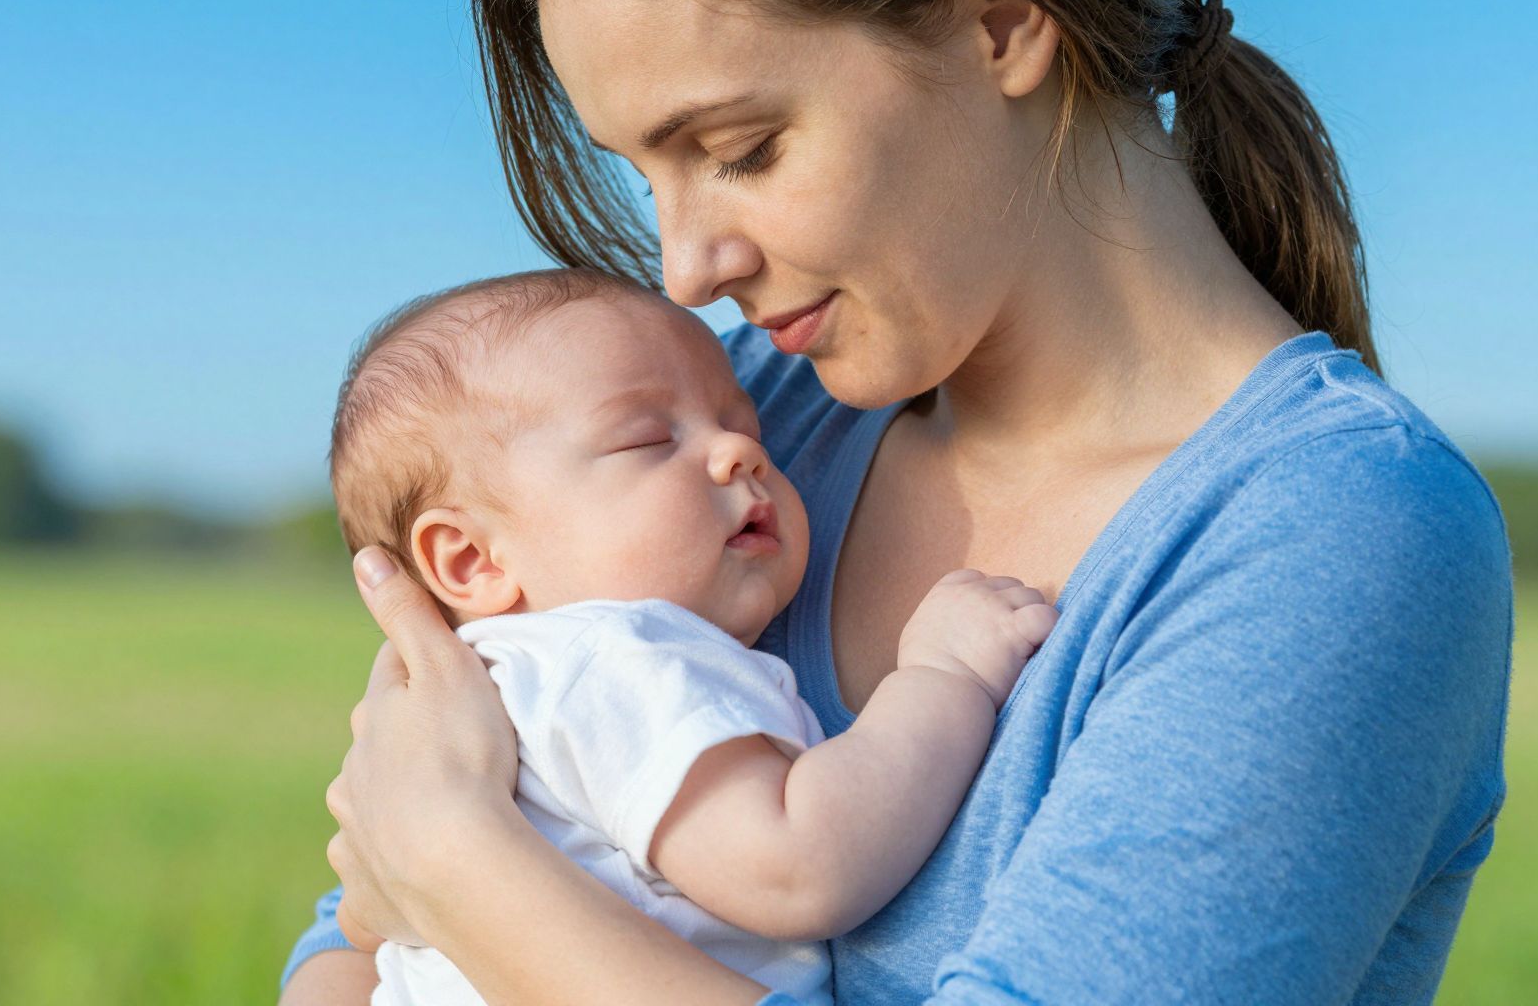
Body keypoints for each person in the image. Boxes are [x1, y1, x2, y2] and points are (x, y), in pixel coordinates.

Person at [288, 0, 1514, 1002]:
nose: (685, 269)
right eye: (641, 175)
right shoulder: (730, 420)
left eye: (740, 150)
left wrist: (457, 865)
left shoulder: (1332, 535)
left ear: (1002, 23)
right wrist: (426, 873)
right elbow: (351, 949)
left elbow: (421, 854)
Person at [325, 269, 1056, 1005]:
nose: (740, 452)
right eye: (647, 439)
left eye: (750, 429)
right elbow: (799, 867)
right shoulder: (613, 659)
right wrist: (945, 676)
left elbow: (363, 917)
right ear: (472, 561)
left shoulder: (485, 697)